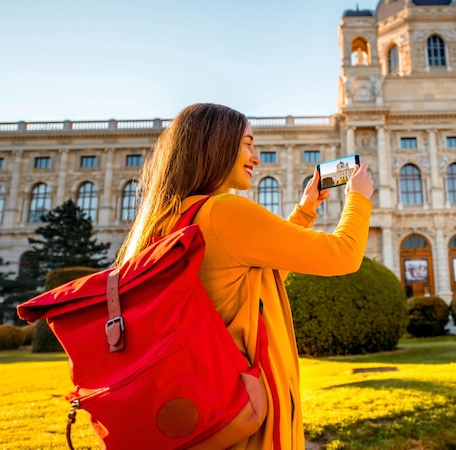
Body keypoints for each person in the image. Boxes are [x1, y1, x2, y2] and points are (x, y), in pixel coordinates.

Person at [116, 103, 373, 449]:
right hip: (245, 415)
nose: (256, 157)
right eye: (248, 144)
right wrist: (358, 198)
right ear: (217, 146)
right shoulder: (225, 210)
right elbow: (344, 255)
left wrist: (305, 211)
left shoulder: (169, 219)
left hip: (205, 408)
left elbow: (257, 278)